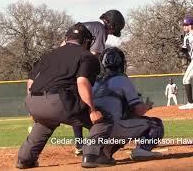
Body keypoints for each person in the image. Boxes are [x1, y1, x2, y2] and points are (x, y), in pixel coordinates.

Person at [16, 23, 102, 169]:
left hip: (32, 101)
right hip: (58, 102)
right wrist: (93, 110)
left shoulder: (48, 55)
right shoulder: (87, 56)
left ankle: (25, 159)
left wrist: (33, 110)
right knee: (103, 122)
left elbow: (30, 82)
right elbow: (82, 82)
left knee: (44, 123)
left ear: (67, 38)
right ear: (86, 41)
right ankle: (93, 156)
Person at [81, 47, 164, 168]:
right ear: (121, 63)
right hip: (115, 127)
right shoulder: (122, 79)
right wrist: (147, 106)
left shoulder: (95, 82)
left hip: (97, 132)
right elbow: (139, 111)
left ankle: (105, 153)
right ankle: (142, 150)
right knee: (156, 124)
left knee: (120, 121)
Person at [68, 9, 126, 156]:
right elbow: (93, 56)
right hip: (79, 67)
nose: (110, 34)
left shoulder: (87, 25)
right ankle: (100, 138)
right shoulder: (100, 29)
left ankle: (79, 143)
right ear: (111, 25)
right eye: (113, 31)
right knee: (87, 103)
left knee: (77, 104)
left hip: (67, 66)